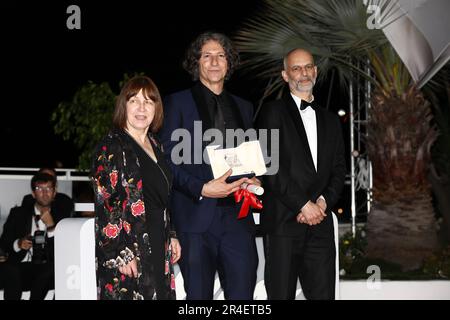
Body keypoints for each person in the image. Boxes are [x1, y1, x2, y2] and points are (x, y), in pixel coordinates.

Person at [159, 31, 259, 300]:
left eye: (221, 56)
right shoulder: (176, 103)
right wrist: (203, 188)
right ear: (196, 63)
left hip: (238, 221)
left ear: (229, 63)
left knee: (243, 298)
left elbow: (246, 155)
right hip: (195, 219)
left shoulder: (244, 107)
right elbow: (166, 161)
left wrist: (252, 178)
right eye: (207, 56)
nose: (214, 62)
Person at [256, 48, 346, 300]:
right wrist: (303, 205)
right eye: (296, 68)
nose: (303, 73)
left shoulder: (330, 120)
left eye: (308, 67)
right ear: (285, 75)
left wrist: (321, 203)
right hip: (284, 225)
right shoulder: (271, 112)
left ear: (315, 71)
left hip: (321, 226)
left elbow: (339, 170)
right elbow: (269, 164)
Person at [91, 75, 181, 300]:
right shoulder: (111, 145)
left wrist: (173, 234)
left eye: (149, 101)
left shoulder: (156, 144)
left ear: (156, 108)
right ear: (124, 105)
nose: (142, 108)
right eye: (135, 101)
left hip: (158, 242)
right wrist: (121, 253)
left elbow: (162, 198)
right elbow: (105, 205)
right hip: (129, 248)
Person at [0, 172, 70, 299]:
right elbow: (4, 241)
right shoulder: (18, 214)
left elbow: (64, 252)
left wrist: (51, 227)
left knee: (48, 269)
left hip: (47, 270)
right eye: (39, 189)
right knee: (11, 269)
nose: (44, 193)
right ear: (33, 193)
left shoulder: (62, 216)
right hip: (21, 267)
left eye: (48, 188)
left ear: (54, 193)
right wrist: (18, 243)